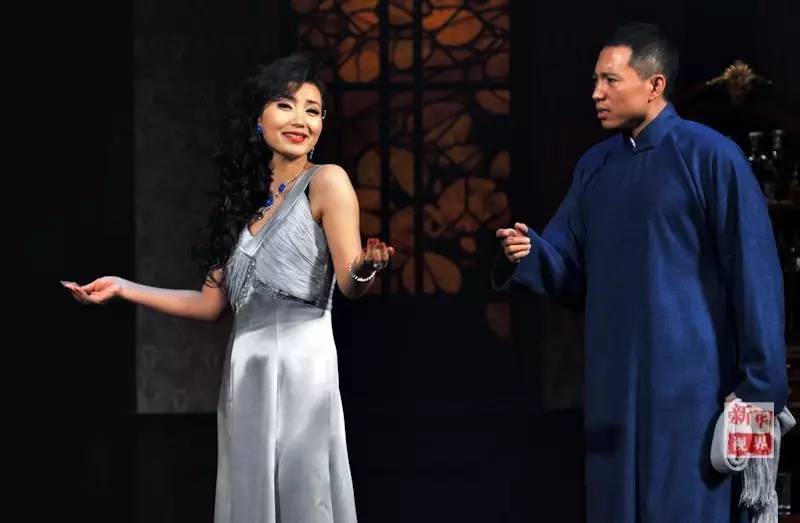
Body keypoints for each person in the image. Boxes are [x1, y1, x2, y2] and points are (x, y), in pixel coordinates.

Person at [63, 53, 394, 523]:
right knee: (249, 498)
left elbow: (349, 284)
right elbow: (209, 304)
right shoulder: (240, 201)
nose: (300, 120)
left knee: (305, 492)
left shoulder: (327, 181)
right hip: (245, 371)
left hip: (303, 364)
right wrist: (123, 287)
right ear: (259, 117)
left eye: (313, 110)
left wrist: (366, 268)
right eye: (286, 105)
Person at [494, 23, 787, 522]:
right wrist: (531, 253)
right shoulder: (595, 167)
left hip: (695, 389)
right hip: (613, 387)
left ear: (654, 85)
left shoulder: (711, 157)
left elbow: (755, 273)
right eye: (595, 80)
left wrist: (761, 385)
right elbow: (571, 272)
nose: (596, 93)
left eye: (610, 80)